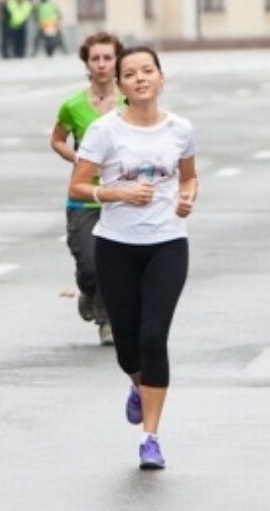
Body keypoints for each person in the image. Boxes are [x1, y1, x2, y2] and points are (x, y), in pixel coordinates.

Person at [68, 46, 198, 470]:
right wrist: (116, 192)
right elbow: (78, 187)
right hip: (116, 246)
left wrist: (187, 197)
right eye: (131, 73)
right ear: (121, 86)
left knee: (153, 338)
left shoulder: (180, 129)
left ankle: (151, 438)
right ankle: (136, 385)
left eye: (148, 71)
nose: (140, 78)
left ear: (161, 78)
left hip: (167, 244)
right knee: (127, 348)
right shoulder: (105, 132)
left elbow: (190, 176)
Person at [50, 32, 125, 346]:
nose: (102, 64)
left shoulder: (129, 100)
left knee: (113, 264)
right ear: (87, 63)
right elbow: (57, 140)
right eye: (95, 59)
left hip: (120, 196)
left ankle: (107, 322)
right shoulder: (73, 105)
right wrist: (78, 156)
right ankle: (87, 291)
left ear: (117, 60)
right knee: (90, 266)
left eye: (108, 58)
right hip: (83, 198)